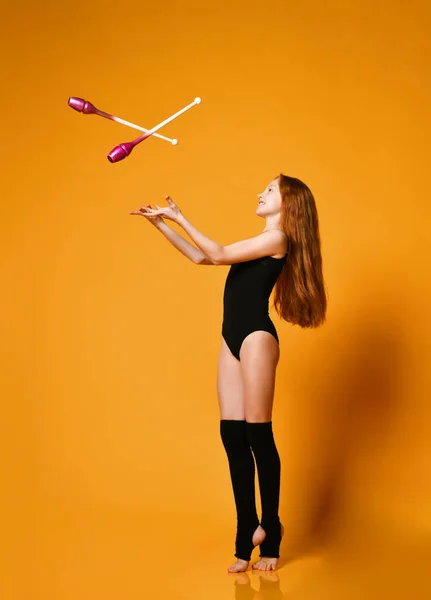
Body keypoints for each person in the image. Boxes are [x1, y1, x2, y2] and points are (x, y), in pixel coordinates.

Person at [129, 174, 327, 572]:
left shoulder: (278, 239)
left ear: (289, 203)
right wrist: (162, 224)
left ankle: (270, 533)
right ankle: (245, 532)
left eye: (269, 190)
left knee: (257, 434)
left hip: (255, 337)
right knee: (231, 434)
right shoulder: (258, 241)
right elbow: (203, 257)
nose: (260, 193)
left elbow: (217, 253)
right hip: (230, 337)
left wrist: (182, 217)